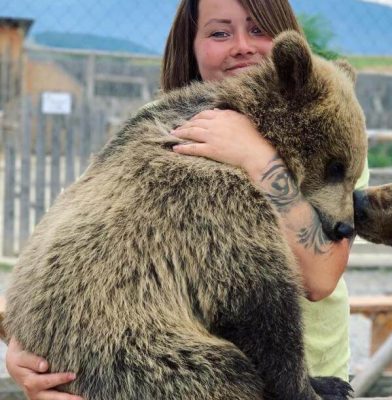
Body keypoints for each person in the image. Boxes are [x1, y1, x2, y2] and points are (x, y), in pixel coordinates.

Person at [6, 0, 369, 398]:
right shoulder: (175, 136)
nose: (242, 46)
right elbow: (256, 298)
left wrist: (255, 156)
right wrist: (23, 351)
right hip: (148, 358)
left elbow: (320, 278)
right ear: (191, 46)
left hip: (303, 357)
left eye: (258, 29)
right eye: (219, 32)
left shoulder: (334, 132)